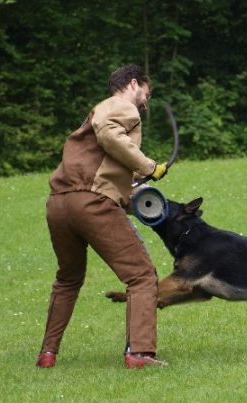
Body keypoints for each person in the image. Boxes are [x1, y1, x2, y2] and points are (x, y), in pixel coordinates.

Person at [36, 64, 168, 369]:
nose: (145, 103)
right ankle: (140, 354)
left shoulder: (95, 113)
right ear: (133, 83)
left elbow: (106, 163)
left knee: (68, 280)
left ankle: (47, 354)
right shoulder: (121, 106)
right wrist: (150, 166)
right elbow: (111, 137)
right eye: (146, 94)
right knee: (142, 276)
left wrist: (140, 188)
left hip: (59, 204)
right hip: (91, 204)